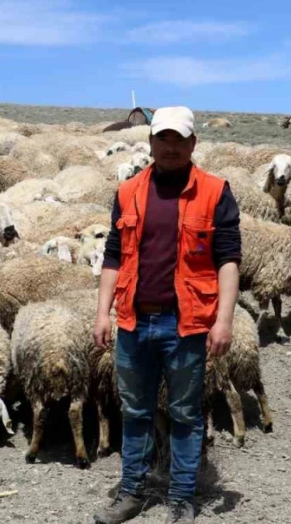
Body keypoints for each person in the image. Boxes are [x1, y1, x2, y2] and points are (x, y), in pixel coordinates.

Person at [93, 106, 242, 524]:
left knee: (185, 413)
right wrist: (102, 312)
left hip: (187, 323)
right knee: (136, 411)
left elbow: (229, 259)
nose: (171, 147)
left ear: (193, 143)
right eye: (163, 139)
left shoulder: (215, 192)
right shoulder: (128, 191)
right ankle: (132, 492)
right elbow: (112, 257)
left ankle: (180, 497)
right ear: (151, 142)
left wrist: (224, 320)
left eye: (179, 139)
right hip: (134, 320)